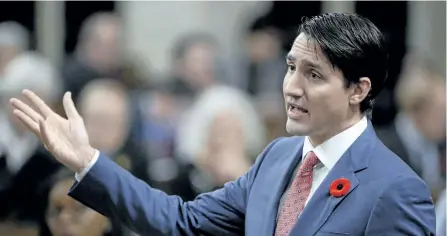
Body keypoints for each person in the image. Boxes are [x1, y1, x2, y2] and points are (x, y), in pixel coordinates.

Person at [10, 13, 435, 235]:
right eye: (291, 67)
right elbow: (181, 222)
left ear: (358, 90)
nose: (292, 87)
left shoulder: (396, 189)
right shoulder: (278, 157)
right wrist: (87, 160)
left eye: (314, 75)